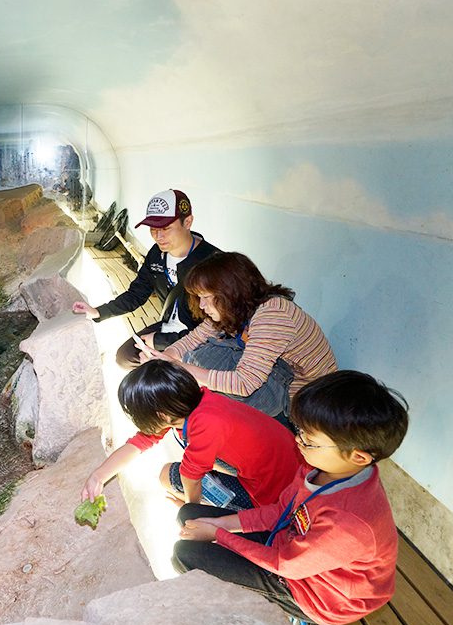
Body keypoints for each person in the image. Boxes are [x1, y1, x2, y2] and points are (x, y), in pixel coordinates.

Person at [173, 371, 408, 625]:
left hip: (321, 593)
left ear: (358, 456)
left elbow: (286, 566)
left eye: (310, 441)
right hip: (294, 546)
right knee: (189, 514)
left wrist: (219, 536)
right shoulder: (320, 469)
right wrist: (221, 524)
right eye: (300, 432)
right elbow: (281, 511)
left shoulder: (348, 525)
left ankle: (305, 623)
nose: (298, 442)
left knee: (186, 555)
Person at [81, 361, 302, 512]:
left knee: (168, 478)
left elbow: (190, 477)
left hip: (277, 497)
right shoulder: (190, 402)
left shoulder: (206, 425)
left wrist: (191, 510)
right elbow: (140, 442)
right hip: (293, 468)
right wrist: (98, 476)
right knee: (181, 472)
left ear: (162, 415)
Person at [147, 252, 337, 418]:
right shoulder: (239, 308)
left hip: (300, 400)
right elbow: (195, 338)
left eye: (206, 297)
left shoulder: (272, 315)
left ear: (230, 292)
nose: (202, 306)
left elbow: (245, 383)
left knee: (201, 359)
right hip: (280, 378)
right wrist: (167, 356)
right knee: (198, 356)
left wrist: (182, 369)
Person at [72, 189, 220, 369]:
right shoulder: (157, 254)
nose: (158, 236)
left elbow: (216, 327)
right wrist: (98, 312)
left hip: (201, 338)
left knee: (167, 370)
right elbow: (137, 294)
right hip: (169, 326)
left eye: (166, 228)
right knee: (124, 357)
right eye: (153, 229)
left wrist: (160, 341)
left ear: (187, 222)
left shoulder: (213, 262)